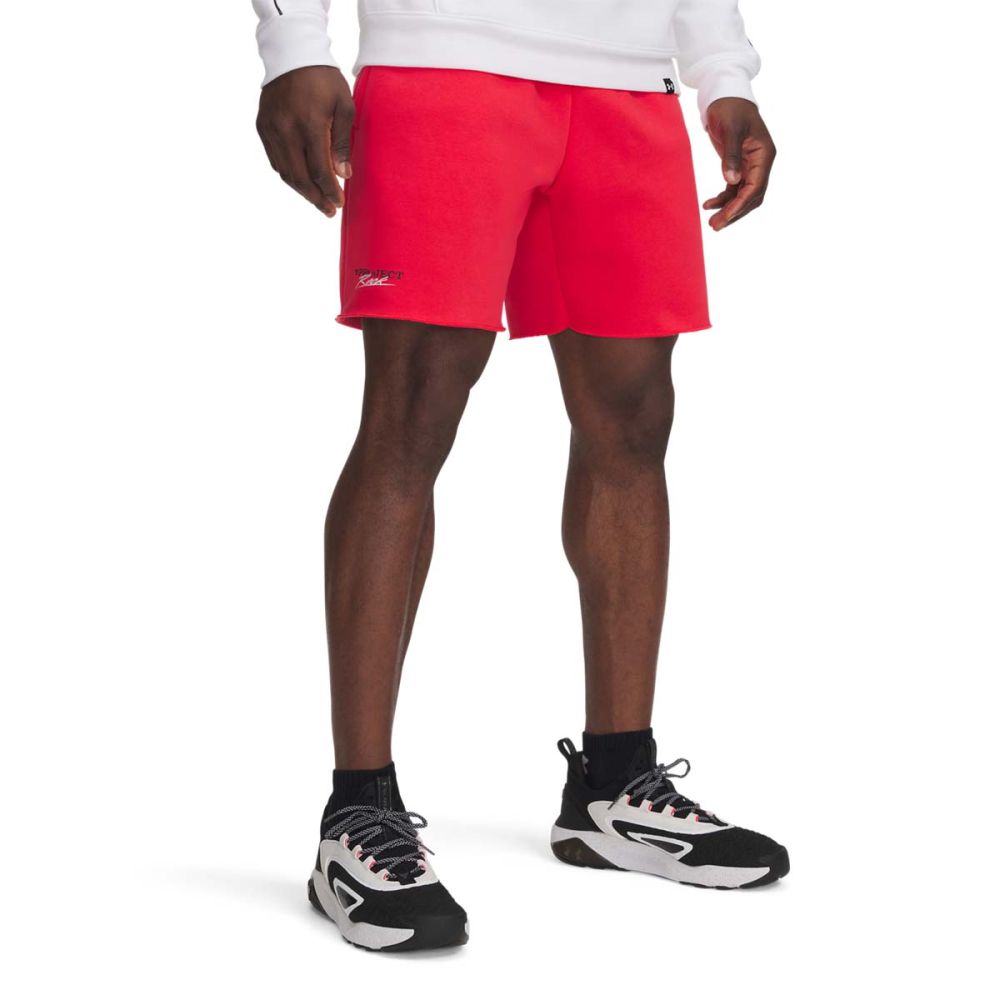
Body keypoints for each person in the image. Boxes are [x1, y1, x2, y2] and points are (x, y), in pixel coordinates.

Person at [252, 0, 787, 952]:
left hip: (629, 83)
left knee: (633, 420)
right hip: (442, 64)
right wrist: (293, 46)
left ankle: (614, 785)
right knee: (412, 414)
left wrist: (723, 71)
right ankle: (357, 811)